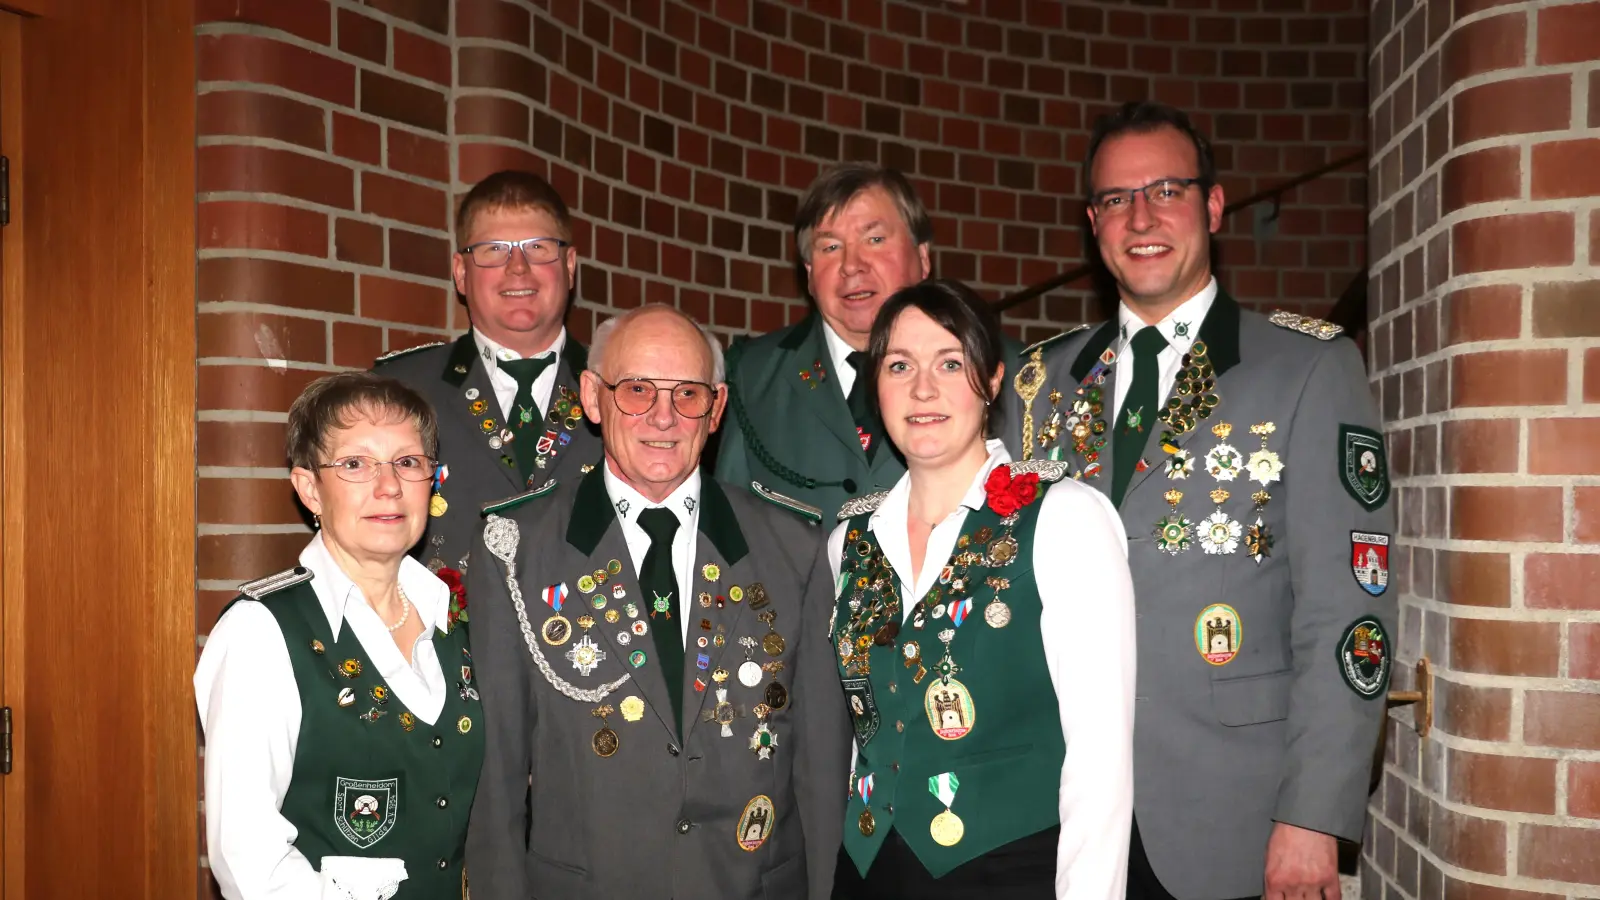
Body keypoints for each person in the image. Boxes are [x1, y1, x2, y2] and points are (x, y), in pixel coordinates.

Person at [1005, 101, 1397, 900]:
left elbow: (1347, 610)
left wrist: (1315, 816)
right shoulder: (1038, 385)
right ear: (1093, 222)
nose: (1140, 217)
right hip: (1058, 814)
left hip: (1233, 817)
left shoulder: (1306, 369)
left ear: (1214, 206)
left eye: (1166, 190)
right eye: (1115, 199)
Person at [465, 304, 851, 900]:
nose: (663, 417)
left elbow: (823, 767)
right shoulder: (516, 548)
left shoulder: (792, 547)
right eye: (637, 390)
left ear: (717, 408)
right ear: (593, 397)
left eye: (688, 394)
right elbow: (496, 779)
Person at [827, 279, 1135, 900]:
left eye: (949, 362)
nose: (922, 388)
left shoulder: (1065, 517)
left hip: (1009, 872)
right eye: (899, 365)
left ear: (993, 380)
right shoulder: (849, 541)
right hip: (866, 874)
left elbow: (1100, 761)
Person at [195, 373, 482, 899]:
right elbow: (249, 860)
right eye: (355, 464)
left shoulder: (456, 620)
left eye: (408, 462)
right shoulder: (261, 631)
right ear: (309, 489)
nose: (388, 486)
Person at [377, 169, 601, 579]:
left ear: (569, 266)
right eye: (494, 249)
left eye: (538, 247)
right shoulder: (397, 391)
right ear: (461, 273)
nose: (518, 267)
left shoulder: (622, 391)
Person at [715, 163, 933, 521]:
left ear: (922, 258)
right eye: (830, 247)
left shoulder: (988, 369)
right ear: (810, 274)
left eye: (874, 239)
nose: (851, 265)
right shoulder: (751, 378)